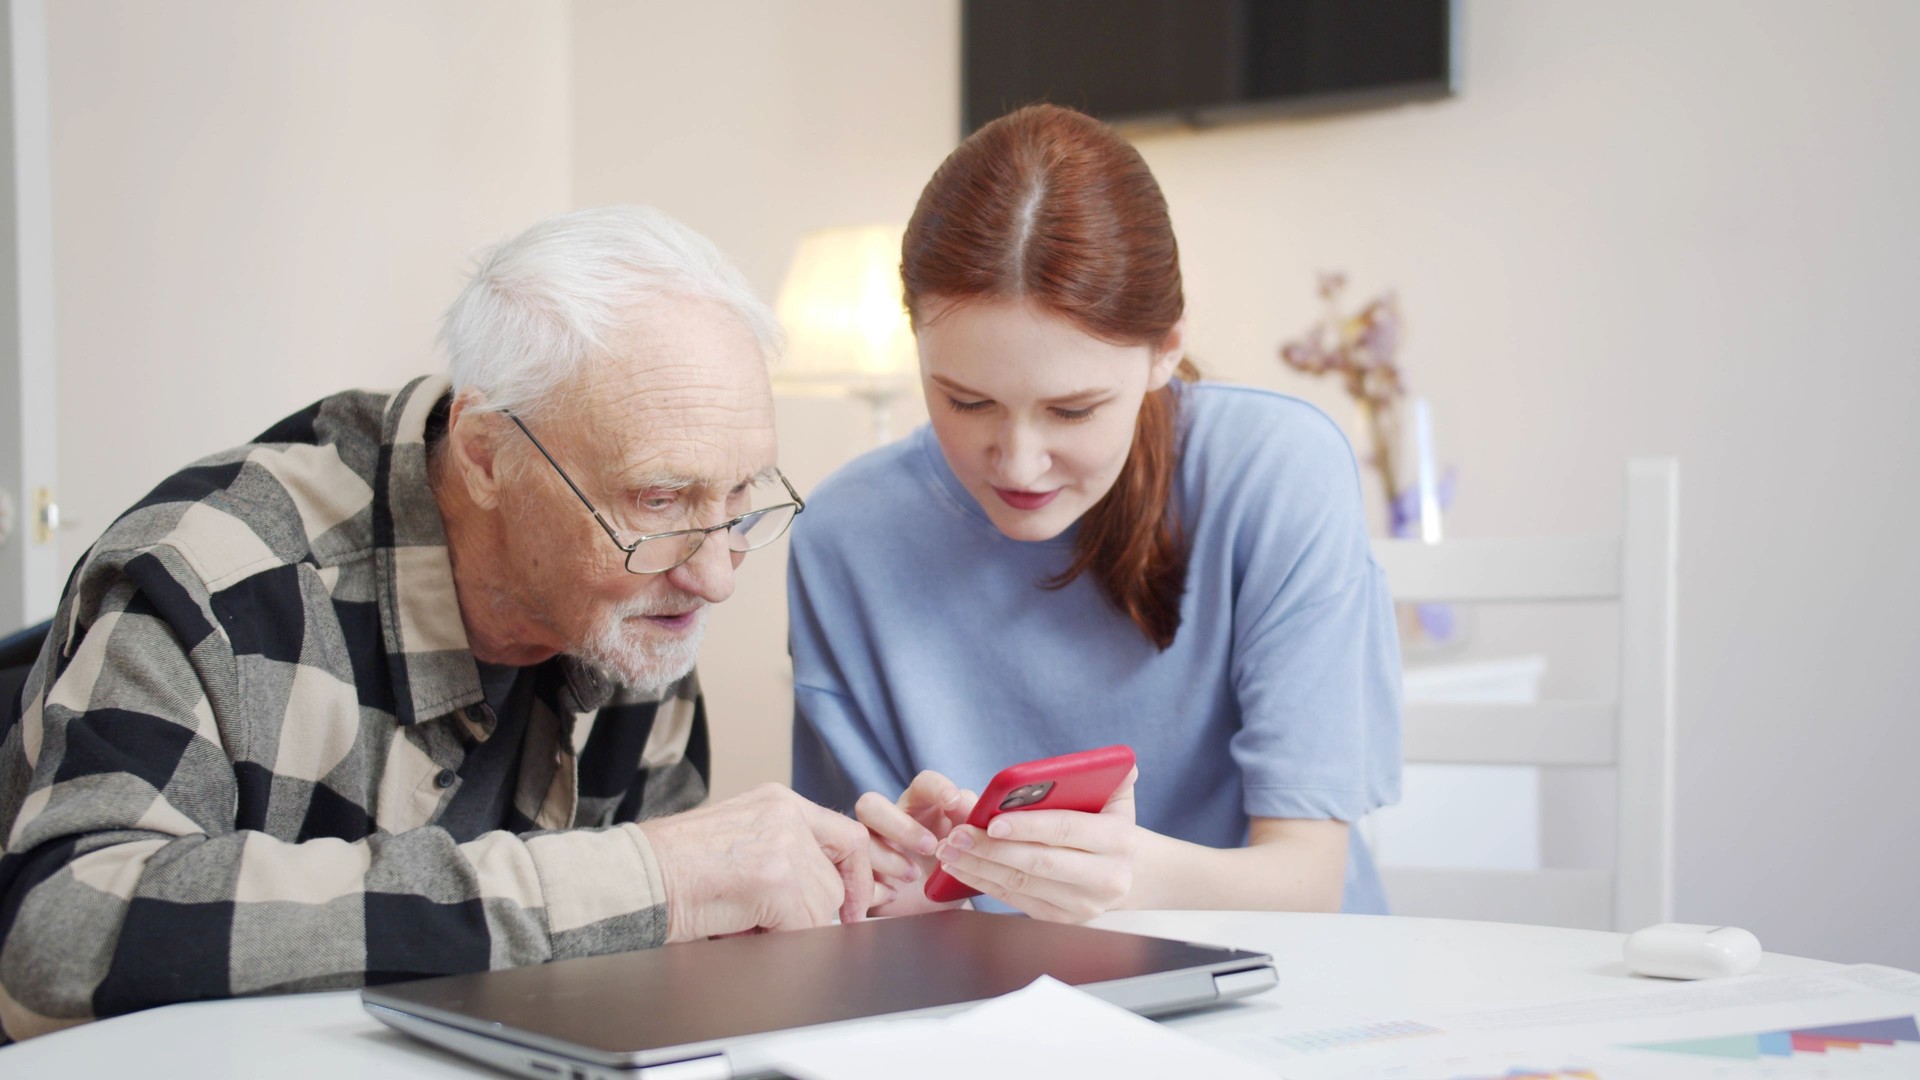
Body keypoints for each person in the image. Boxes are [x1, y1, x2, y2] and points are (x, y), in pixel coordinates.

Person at [0, 206, 900, 1043]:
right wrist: (640, 877)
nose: (713, 578)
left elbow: (648, 971)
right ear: (484, 454)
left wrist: (847, 909)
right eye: (659, 499)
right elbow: (62, 933)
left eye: (741, 498)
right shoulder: (220, 576)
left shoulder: (645, 600)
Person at [788, 105, 1402, 923]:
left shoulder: (1275, 471)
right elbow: (861, 907)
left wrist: (1130, 879)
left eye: (1074, 411)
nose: (1018, 461)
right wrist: (901, 889)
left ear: (1166, 348)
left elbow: (1308, 884)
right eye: (966, 400)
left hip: (1284, 997)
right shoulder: (845, 537)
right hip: (994, 1022)